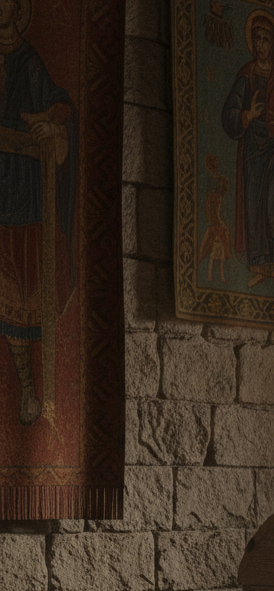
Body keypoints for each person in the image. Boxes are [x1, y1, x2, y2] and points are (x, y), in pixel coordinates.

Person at [0, 0, 76, 426]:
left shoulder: (28, 62)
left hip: (19, 197)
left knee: (18, 297)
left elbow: (60, 106)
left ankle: (28, 390)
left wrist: (53, 126)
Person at [221, 10, 274, 292]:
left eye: (266, 39)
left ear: (273, 44)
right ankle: (258, 265)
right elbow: (228, 115)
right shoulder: (245, 77)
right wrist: (246, 116)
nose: (261, 45)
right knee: (254, 205)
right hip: (252, 155)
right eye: (257, 39)